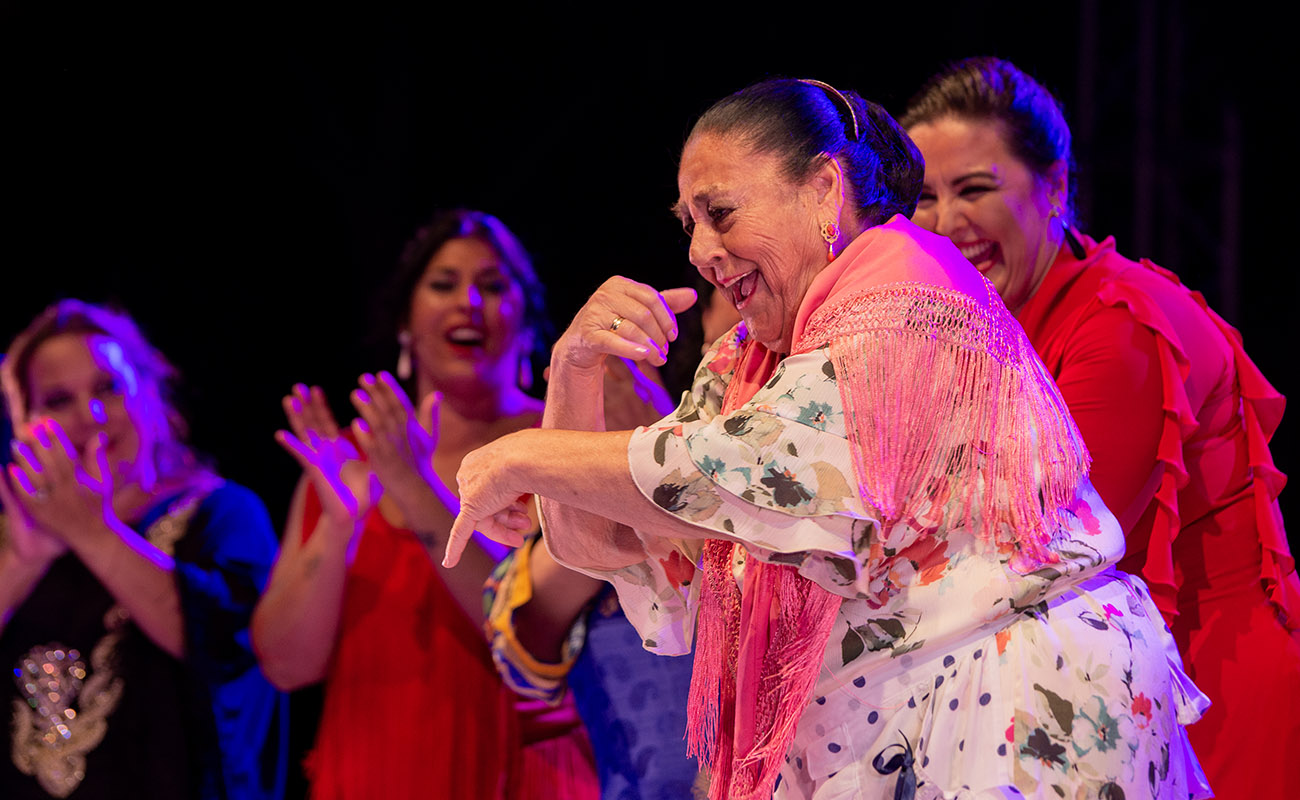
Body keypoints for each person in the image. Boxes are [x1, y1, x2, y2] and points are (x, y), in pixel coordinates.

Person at [442, 79, 1211, 800]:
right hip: (896, 718)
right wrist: (573, 371)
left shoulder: (910, 296)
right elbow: (625, 535)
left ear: (823, 191)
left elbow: (752, 474)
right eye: (687, 225)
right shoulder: (749, 361)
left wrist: (521, 457)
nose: (699, 251)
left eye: (720, 212)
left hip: (1021, 695)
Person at [902, 57, 1299, 799]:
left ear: (1054, 188)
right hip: (1102, 675)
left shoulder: (1118, 324)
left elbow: (1035, 543)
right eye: (925, 197)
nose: (946, 223)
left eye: (975, 189)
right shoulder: (980, 324)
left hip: (1210, 677)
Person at [250, 209, 597, 800]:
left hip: (519, 772)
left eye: (493, 285)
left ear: (527, 321)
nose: (468, 301)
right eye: (442, 284)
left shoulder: (562, 447)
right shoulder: (345, 464)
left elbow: (525, 631)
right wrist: (336, 527)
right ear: (406, 325)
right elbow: (286, 666)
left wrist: (413, 489)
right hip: (370, 771)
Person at [0, 300, 286, 800]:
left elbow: (232, 655)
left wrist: (92, 532)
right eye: (58, 400)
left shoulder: (221, 514)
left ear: (149, 394)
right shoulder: (16, 537)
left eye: (108, 388)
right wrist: (24, 562)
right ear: (25, 421)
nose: (89, 415)